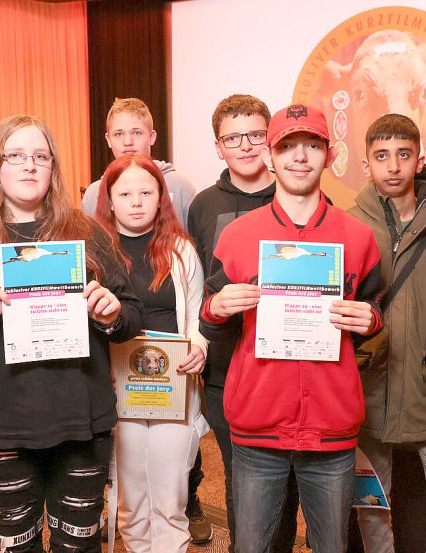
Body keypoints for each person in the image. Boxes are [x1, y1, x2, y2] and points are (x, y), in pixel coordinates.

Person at [0, 114, 143, 553]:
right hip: (2, 429)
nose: (30, 165)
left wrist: (112, 314)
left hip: (81, 425)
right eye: (16, 156)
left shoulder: (86, 234)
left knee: (80, 544)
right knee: (16, 546)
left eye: (40, 156)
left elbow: (130, 316)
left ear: (53, 167)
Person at [201, 104, 383, 553]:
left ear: (330, 153)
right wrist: (217, 307)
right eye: (287, 146)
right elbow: (213, 323)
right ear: (270, 155)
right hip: (258, 426)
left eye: (312, 145)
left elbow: (374, 311)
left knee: (332, 546)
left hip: (331, 426)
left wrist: (372, 320)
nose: (299, 157)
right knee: (252, 546)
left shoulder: (358, 237)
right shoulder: (238, 236)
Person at [81, 96, 210, 542]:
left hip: (173, 387)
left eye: (146, 193)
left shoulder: (181, 251)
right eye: (125, 194)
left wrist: (199, 346)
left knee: (172, 499)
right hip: (119, 390)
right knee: (131, 501)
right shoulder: (94, 256)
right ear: (108, 202)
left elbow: (195, 317)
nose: (136, 203)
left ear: (161, 199)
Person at [346, 114, 426, 553]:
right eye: (381, 156)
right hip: (366, 395)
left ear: (420, 161)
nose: (393, 166)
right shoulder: (347, 225)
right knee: (370, 513)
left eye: (403, 154)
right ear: (366, 165)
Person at [185, 93, 300, 553]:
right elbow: (197, 285)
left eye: (255, 134)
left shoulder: (299, 191)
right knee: (241, 479)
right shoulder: (203, 205)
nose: (247, 146)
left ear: (269, 138)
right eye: (234, 137)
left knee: (288, 477)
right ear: (218, 147)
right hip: (226, 367)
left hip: (288, 363)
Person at [81, 98, 196, 225]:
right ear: (108, 140)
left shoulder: (180, 186)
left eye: (136, 133)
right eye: (119, 134)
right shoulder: (93, 194)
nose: (128, 142)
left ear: (152, 137)